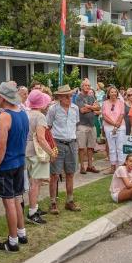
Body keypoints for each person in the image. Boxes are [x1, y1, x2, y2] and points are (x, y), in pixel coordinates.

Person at [0, 82, 29, 252]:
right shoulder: (22, 112)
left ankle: (12, 241)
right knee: (17, 199)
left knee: (9, 204)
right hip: (20, 162)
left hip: (7, 164)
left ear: (3, 98)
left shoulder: (5, 116)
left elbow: (1, 146)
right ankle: (22, 233)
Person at [46, 85, 81, 214]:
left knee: (70, 173)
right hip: (57, 143)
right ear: (59, 97)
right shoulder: (53, 109)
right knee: (54, 174)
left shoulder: (75, 108)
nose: (69, 98)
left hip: (72, 143)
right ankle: (53, 203)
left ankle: (69, 201)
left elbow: (75, 124)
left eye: (70, 95)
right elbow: (47, 127)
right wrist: (51, 145)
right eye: (66, 96)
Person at [25, 89, 55, 225]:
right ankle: (32, 212)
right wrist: (51, 152)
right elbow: (41, 139)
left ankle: (34, 207)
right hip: (37, 152)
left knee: (32, 182)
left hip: (26, 151)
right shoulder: (40, 117)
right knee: (35, 183)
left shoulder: (26, 113)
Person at [75, 79, 100, 174]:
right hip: (82, 125)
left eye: (89, 85)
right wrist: (93, 108)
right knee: (81, 147)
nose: (87, 87)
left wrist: (89, 107)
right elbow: (82, 110)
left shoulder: (91, 97)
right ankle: (82, 167)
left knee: (91, 147)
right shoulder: (78, 97)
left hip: (91, 124)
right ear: (82, 86)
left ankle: (90, 165)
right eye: (85, 85)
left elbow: (98, 108)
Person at [102, 86, 126, 173]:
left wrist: (117, 125)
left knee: (120, 148)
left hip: (120, 126)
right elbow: (104, 116)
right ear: (108, 93)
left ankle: (121, 168)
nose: (113, 93)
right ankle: (112, 168)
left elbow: (122, 114)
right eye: (111, 92)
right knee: (112, 148)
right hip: (108, 127)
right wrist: (113, 124)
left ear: (117, 93)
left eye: (115, 92)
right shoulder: (105, 103)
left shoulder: (121, 102)